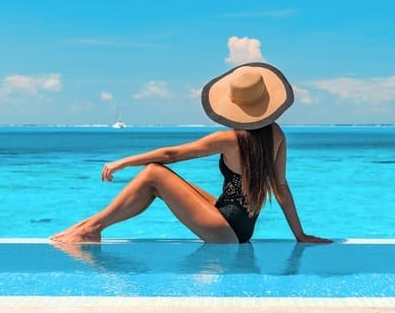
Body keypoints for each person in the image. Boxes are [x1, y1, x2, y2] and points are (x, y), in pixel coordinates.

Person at [50, 63, 331, 245]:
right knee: (158, 177)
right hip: (241, 228)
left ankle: (92, 228)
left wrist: (123, 162)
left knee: (153, 173)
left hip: (224, 230)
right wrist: (300, 235)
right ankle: (90, 225)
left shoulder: (230, 138)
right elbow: (281, 186)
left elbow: (172, 153)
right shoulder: (277, 134)